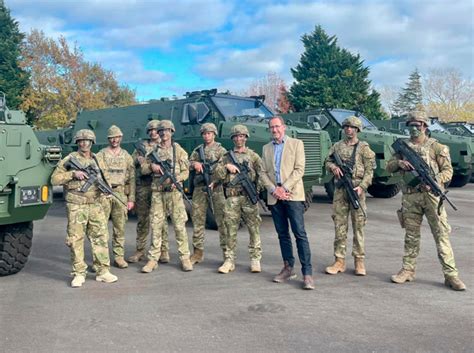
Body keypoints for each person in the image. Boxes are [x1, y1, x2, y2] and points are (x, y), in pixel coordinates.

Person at [387, 111, 466, 291]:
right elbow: (388, 166)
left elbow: (448, 171)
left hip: (431, 197)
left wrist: (435, 182)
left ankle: (451, 275)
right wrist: (400, 164)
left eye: (419, 125)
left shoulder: (437, 147)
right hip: (410, 197)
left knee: (441, 235)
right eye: (411, 125)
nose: (415, 128)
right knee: (411, 235)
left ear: (425, 126)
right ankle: (407, 270)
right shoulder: (402, 147)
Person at [51, 129, 118, 288]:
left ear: (92, 142)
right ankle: (79, 273)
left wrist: (107, 190)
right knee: (75, 240)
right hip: (76, 205)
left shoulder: (98, 159)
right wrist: (73, 174)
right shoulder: (70, 159)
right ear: (77, 142)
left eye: (87, 141)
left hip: (95, 204)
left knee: (100, 237)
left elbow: (105, 179)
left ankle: (103, 271)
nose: (84, 143)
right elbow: (54, 179)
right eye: (81, 141)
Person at [260, 116, 314, 290]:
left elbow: (300, 169)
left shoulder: (296, 144)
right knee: (282, 234)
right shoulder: (266, 148)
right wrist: (273, 189)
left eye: (277, 126)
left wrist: (284, 187)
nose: (274, 130)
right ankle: (288, 268)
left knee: (299, 233)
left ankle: (307, 273)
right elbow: (262, 172)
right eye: (271, 127)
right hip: (275, 197)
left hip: (293, 196)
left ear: (284, 127)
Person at [325, 116, 375, 276]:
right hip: (340, 191)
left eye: (352, 127)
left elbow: (369, 171)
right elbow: (327, 161)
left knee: (358, 227)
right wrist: (333, 167)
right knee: (340, 226)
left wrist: (362, 187)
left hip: (356, 191)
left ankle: (359, 261)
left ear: (357, 130)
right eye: (346, 127)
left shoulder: (364, 148)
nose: (348, 129)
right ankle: (339, 260)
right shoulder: (337, 146)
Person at [140, 120, 193, 273]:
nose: (164, 133)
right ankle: (153, 259)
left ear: (172, 132)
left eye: (167, 130)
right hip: (157, 193)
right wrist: (151, 166)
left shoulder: (179, 151)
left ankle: (185, 258)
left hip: (174, 193)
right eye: (161, 131)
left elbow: (186, 171)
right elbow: (143, 169)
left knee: (179, 226)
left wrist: (177, 179)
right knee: (156, 226)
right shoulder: (153, 152)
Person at [214, 124, 263, 274]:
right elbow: (217, 175)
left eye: (241, 136)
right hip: (232, 198)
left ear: (246, 138)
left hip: (248, 197)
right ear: (233, 138)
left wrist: (257, 191)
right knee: (230, 230)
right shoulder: (226, 157)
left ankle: (255, 259)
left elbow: (262, 175)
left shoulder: (253, 156)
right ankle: (229, 260)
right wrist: (226, 167)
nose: (239, 139)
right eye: (236, 136)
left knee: (254, 229)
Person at [128, 120, 170, 265]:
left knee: (161, 220)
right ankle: (140, 250)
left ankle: (163, 250)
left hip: (159, 186)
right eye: (150, 130)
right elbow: (131, 164)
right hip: (144, 186)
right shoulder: (141, 146)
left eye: (155, 130)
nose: (153, 132)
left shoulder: (164, 145)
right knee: (143, 220)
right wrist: (138, 160)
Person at [97, 125, 135, 269]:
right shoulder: (101, 154)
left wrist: (131, 199)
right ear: (108, 139)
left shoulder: (126, 156)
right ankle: (102, 258)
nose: (114, 140)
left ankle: (118, 257)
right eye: (112, 138)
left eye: (117, 137)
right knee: (101, 228)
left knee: (120, 228)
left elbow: (131, 178)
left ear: (121, 138)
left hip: (120, 194)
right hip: (104, 193)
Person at [189, 123, 227, 264]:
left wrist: (216, 180)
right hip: (200, 189)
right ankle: (197, 253)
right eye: (204, 133)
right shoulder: (198, 150)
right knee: (198, 220)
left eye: (209, 133)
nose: (206, 136)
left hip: (216, 189)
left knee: (222, 222)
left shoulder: (220, 150)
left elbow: (225, 168)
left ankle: (226, 255)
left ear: (214, 134)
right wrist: (194, 164)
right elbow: (188, 162)